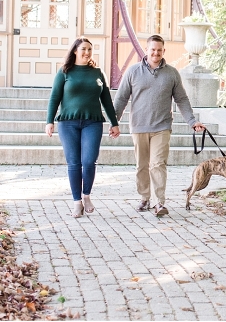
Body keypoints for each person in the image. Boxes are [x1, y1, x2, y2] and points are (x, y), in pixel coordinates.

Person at [114, 34, 205, 217]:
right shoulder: (133, 72)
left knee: (157, 164)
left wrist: (192, 121)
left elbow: (181, 99)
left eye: (159, 50)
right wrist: (114, 122)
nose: (156, 53)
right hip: (139, 126)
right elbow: (121, 98)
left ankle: (159, 202)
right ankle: (145, 198)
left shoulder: (171, 73)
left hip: (162, 127)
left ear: (164, 51)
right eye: (152, 50)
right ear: (146, 50)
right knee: (142, 165)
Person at [46, 37, 120, 218]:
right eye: (83, 49)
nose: (87, 53)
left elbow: (107, 101)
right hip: (68, 123)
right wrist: (49, 121)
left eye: (89, 49)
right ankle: (76, 202)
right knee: (74, 163)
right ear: (75, 51)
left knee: (88, 162)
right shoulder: (64, 72)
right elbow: (54, 97)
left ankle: (86, 195)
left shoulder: (97, 73)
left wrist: (114, 122)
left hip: (92, 122)